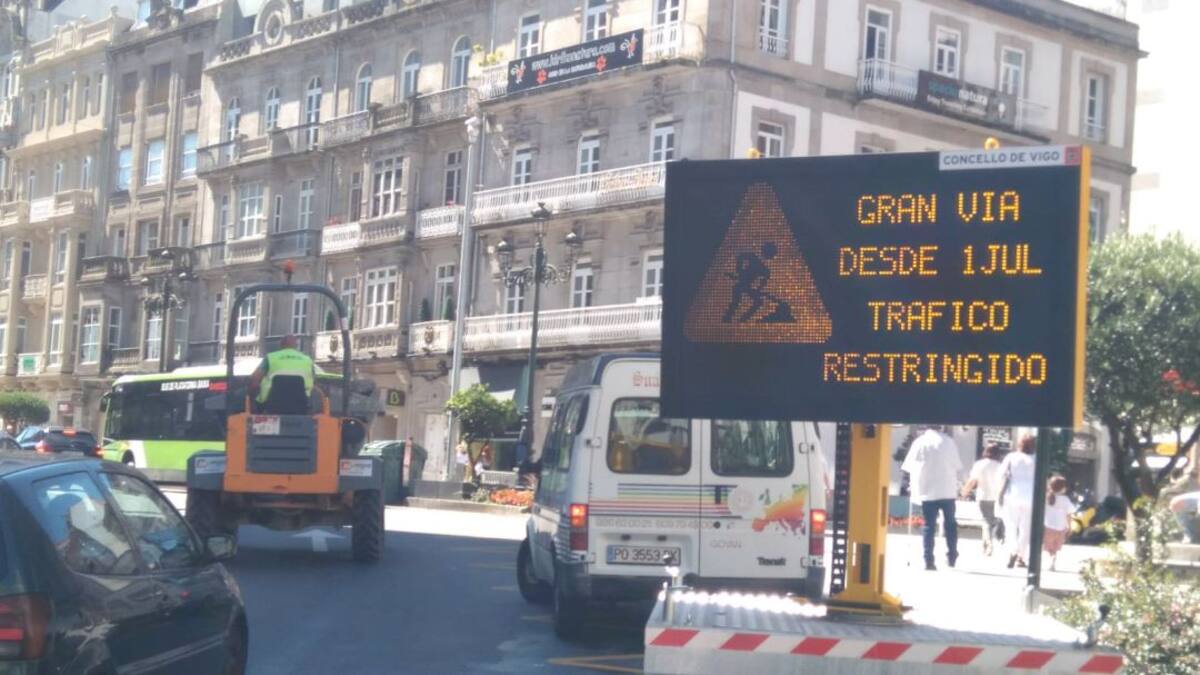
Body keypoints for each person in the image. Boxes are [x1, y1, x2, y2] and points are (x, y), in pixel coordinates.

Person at [901, 425, 963, 570]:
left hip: (927, 490)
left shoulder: (919, 442)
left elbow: (909, 466)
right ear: (941, 427)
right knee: (950, 524)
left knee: (929, 526)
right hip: (947, 489)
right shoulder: (949, 442)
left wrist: (911, 485)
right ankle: (952, 555)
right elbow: (957, 465)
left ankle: (928, 559)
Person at [248, 335, 316, 415]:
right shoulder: (307, 360)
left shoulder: (270, 358)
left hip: (270, 405)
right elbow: (314, 381)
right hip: (301, 405)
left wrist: (251, 395)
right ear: (296, 346)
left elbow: (255, 379)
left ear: (281, 345)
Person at [998, 434, 1038, 569]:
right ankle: (1021, 555)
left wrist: (999, 494)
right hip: (1031, 496)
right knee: (1025, 528)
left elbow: (1002, 475)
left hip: (1013, 494)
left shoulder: (1011, 457)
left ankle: (1013, 549)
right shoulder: (1036, 459)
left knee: (1010, 525)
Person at [961, 443, 1005, 556]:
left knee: (986, 521)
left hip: (983, 496)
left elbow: (973, 481)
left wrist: (964, 491)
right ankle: (993, 535)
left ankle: (988, 544)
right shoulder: (1000, 466)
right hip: (997, 497)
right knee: (991, 520)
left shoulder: (979, 464)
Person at [1042, 475, 1072, 571]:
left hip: (1048, 526)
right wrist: (1069, 526)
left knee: (1047, 546)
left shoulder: (1047, 498)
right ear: (1063, 488)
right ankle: (1053, 562)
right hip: (1061, 527)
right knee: (1055, 547)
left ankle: (1049, 561)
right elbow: (1069, 514)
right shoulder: (1065, 500)